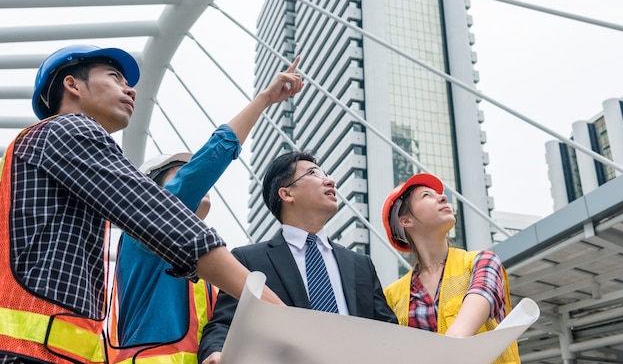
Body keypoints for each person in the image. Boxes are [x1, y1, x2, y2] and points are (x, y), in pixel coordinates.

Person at [0, 44, 290, 364]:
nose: (131, 89)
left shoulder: (39, 160)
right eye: (115, 77)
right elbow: (160, 216)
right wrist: (267, 304)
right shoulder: (67, 129)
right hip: (28, 355)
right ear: (72, 85)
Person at [107, 57, 304, 363]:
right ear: (155, 191)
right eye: (180, 172)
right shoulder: (142, 232)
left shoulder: (205, 264)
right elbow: (213, 156)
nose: (193, 178)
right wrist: (264, 100)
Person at [197, 150, 398, 364]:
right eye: (314, 174)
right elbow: (224, 324)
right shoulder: (248, 261)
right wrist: (216, 353)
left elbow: (388, 330)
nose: (330, 181)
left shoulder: (360, 264)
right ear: (286, 194)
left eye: (326, 174)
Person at [381, 173, 520, 364]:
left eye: (438, 194)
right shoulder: (391, 296)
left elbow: (460, 333)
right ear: (405, 221)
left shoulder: (481, 262)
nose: (443, 197)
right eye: (426, 196)